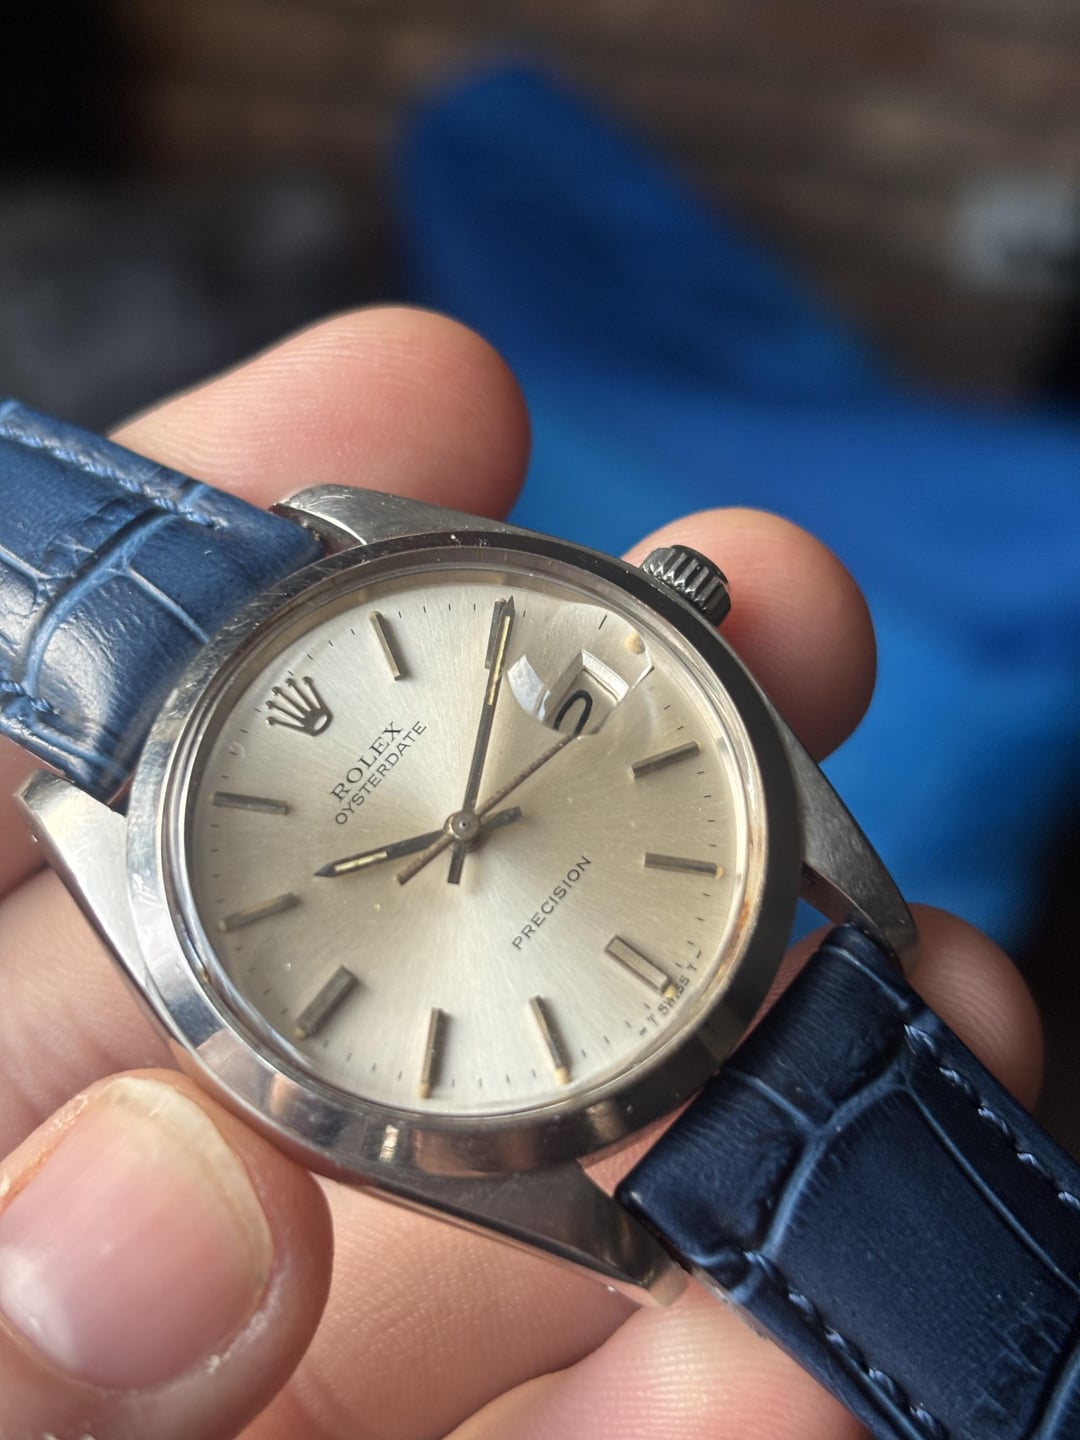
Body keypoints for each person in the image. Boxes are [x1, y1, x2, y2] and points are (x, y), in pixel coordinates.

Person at [0, 308, 1043, 1440]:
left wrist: (630, 1249)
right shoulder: (132, 807)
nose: (459, 830)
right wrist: (617, 1242)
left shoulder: (344, 542)